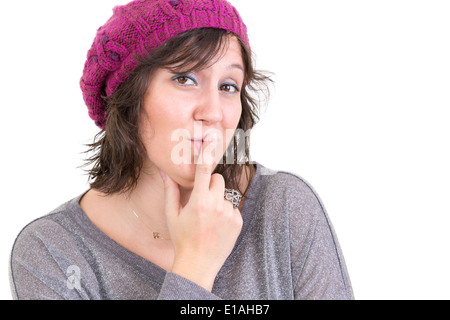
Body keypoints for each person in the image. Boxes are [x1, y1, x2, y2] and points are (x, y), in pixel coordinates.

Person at [9, 0, 354, 300]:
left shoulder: (285, 208)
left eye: (228, 86)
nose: (214, 112)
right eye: (185, 78)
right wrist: (194, 269)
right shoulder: (51, 254)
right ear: (128, 98)